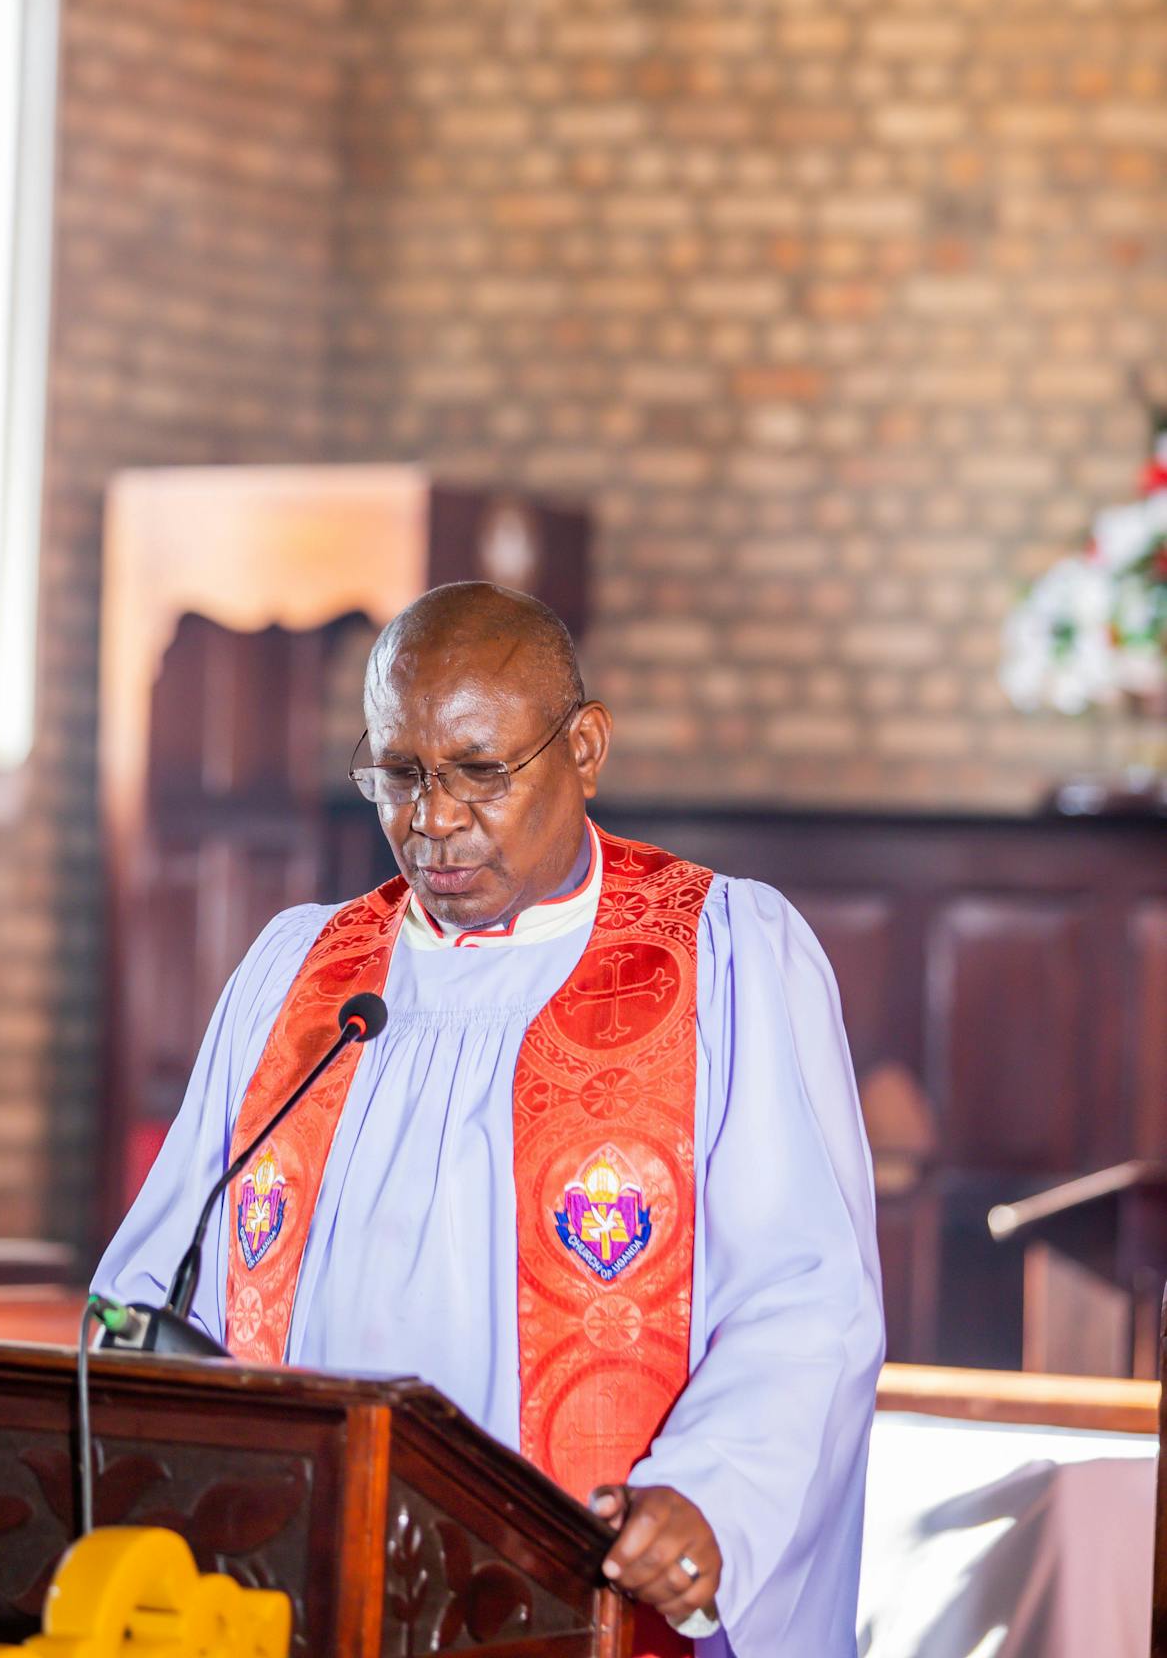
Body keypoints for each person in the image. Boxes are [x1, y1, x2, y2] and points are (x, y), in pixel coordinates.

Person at [96, 582, 884, 1656]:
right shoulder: (300, 975)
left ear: (586, 747)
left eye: (478, 770)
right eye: (398, 772)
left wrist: (711, 1496)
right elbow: (156, 1278)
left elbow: (804, 1296)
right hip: (288, 1591)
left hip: (571, 1606)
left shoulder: (721, 958)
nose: (431, 818)